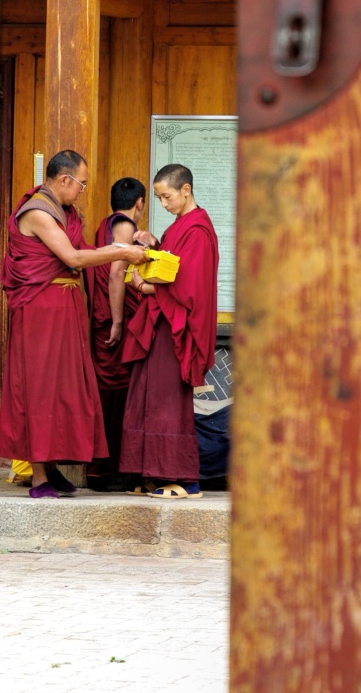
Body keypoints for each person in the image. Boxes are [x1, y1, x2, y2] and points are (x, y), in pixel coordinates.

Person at [0, 149, 149, 499]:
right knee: (40, 387)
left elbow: (86, 249)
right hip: (40, 311)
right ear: (64, 179)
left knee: (64, 388)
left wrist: (134, 241)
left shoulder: (66, 213)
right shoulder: (38, 212)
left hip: (64, 311)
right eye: (81, 183)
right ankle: (38, 478)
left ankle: (51, 470)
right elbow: (73, 257)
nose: (82, 190)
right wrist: (122, 251)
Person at [119, 163, 219, 499]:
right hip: (160, 324)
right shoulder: (180, 226)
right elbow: (170, 262)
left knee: (167, 399)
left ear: (186, 190)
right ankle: (154, 472)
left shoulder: (199, 229)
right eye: (159, 198)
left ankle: (184, 478)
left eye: (167, 196)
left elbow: (189, 283)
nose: (163, 203)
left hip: (175, 327)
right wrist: (154, 244)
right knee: (146, 393)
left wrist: (145, 287)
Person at [85, 177, 147, 491]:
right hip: (112, 324)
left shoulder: (105, 225)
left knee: (110, 394)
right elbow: (115, 275)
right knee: (115, 396)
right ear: (140, 203)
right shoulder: (123, 225)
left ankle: (102, 469)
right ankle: (105, 471)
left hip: (102, 320)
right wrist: (119, 321)